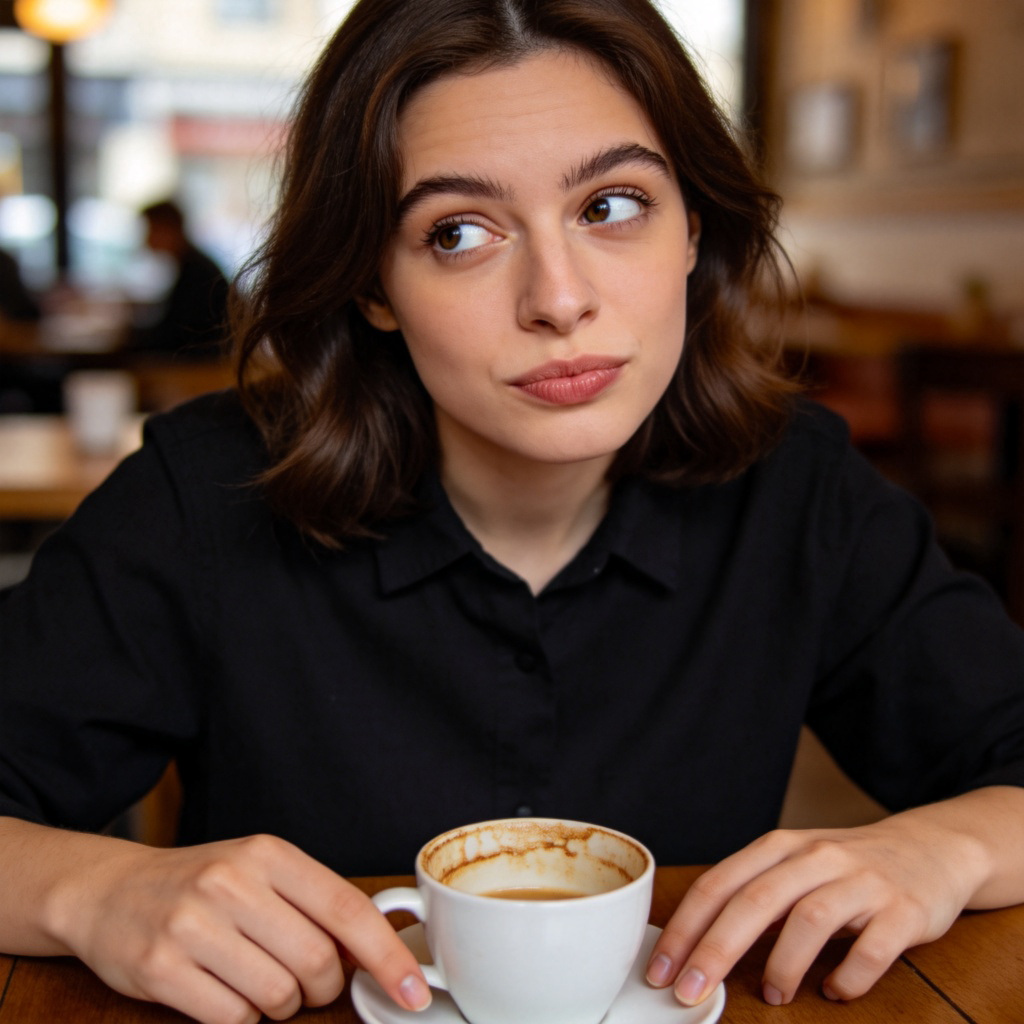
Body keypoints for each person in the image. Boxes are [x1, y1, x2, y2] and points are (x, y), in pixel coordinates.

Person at [1, 1, 1022, 1022]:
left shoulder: (797, 489)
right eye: (458, 232)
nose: (559, 298)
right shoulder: (208, 493)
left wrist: (946, 846)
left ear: (692, 226)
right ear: (372, 286)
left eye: (612, 205)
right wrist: (92, 890)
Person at [130, 199, 230, 358]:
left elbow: (175, 334)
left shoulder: (197, 271)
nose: (146, 240)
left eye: (151, 230)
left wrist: (128, 335)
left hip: (199, 367)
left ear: (170, 229)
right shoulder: (191, 264)